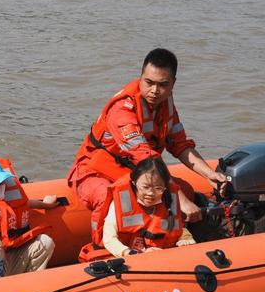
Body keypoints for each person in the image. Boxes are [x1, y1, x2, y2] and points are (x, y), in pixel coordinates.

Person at [67, 48, 226, 224]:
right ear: (141, 77)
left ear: (173, 83)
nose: (154, 91)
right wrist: (180, 200)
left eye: (162, 84)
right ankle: (103, 248)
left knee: (186, 190)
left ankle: (167, 239)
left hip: (134, 172)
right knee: (114, 198)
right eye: (149, 82)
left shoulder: (166, 105)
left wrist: (209, 174)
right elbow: (146, 158)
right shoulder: (122, 110)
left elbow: (180, 145)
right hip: (95, 172)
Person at [79, 157, 195, 262]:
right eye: (145, 187)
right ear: (134, 183)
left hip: (161, 253)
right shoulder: (120, 203)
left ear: (165, 187)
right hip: (128, 255)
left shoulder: (170, 199)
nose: (151, 193)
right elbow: (109, 238)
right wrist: (128, 252)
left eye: (158, 188)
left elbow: (179, 228)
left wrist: (186, 239)